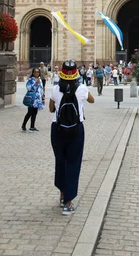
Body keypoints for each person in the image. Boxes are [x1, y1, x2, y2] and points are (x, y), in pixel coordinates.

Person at [49, 60, 94, 215]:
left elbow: (50, 109)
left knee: (60, 161)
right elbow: (92, 100)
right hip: (76, 129)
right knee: (73, 163)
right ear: (76, 73)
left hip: (57, 129)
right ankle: (68, 203)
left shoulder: (55, 89)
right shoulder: (81, 88)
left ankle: (62, 196)